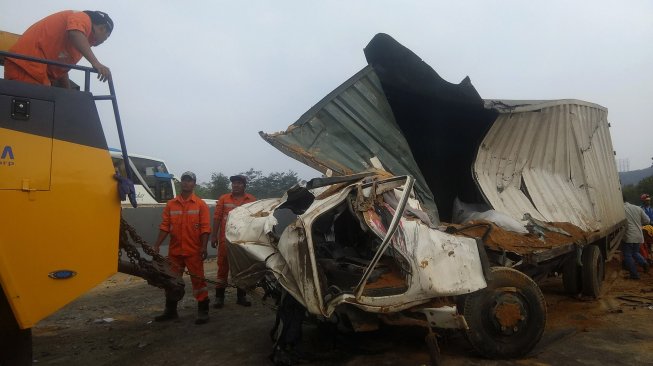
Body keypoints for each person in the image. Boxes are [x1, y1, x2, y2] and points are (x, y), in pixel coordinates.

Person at [153, 171, 211, 324]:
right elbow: (165, 226)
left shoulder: (200, 204)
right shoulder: (171, 204)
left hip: (194, 251)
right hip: (175, 251)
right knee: (171, 281)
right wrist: (157, 245)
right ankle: (170, 311)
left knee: (199, 282)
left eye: (189, 180)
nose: (186, 183)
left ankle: (203, 310)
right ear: (181, 183)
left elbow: (205, 228)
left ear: (194, 184)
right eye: (184, 180)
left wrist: (204, 247)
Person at [4, 10, 113, 88]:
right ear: (102, 28)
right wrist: (96, 63)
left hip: (37, 75)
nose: (105, 40)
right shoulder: (82, 17)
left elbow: (61, 68)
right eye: (107, 36)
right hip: (25, 68)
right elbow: (75, 33)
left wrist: (67, 92)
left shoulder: (78, 45)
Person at [210, 174, 256, 308]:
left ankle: (241, 297)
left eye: (239, 183)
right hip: (225, 240)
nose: (235, 185)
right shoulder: (223, 199)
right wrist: (214, 236)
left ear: (244, 185)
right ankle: (219, 298)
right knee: (222, 268)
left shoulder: (251, 200)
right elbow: (217, 218)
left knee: (242, 268)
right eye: (234, 183)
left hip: (243, 241)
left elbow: (255, 220)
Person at [623, 196, 650, 279]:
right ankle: (644, 263)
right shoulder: (637, 208)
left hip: (629, 235)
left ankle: (634, 275)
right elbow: (647, 220)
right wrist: (638, 222)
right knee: (635, 252)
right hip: (639, 234)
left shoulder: (621, 209)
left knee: (627, 255)